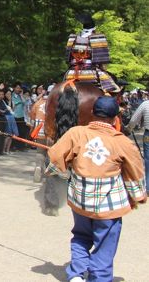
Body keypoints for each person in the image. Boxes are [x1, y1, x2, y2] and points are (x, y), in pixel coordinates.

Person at [47, 96, 146, 282]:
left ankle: (76, 274)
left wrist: (64, 173)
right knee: (105, 243)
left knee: (80, 236)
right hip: (108, 207)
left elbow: (55, 160)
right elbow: (135, 173)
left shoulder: (75, 133)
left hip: (80, 202)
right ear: (115, 118)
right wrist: (138, 195)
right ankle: (98, 277)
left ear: (92, 113)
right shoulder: (123, 142)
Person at [64, 13, 120, 93]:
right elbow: (102, 63)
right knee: (114, 90)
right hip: (91, 73)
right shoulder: (98, 38)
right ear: (94, 29)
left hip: (72, 73)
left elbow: (68, 60)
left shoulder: (72, 38)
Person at [127, 96, 149, 187]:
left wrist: (129, 129)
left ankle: (148, 186)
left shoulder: (145, 104)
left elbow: (133, 120)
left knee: (148, 159)